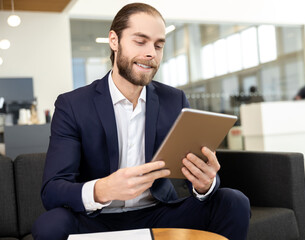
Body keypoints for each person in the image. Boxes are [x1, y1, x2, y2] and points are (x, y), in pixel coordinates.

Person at [32, 3, 250, 240]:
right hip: (98, 218)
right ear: (114, 41)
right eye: (140, 41)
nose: (151, 53)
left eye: (158, 45)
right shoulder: (73, 105)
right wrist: (102, 189)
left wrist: (203, 185)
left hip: (157, 212)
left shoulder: (174, 100)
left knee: (233, 201)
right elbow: (52, 190)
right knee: (49, 226)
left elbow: (191, 174)